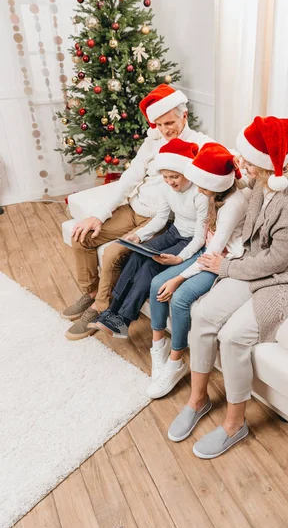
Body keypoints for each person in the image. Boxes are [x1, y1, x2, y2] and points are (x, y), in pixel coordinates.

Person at [168, 115, 288, 459]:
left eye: (246, 159)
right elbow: (237, 182)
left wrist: (225, 266)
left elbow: (278, 262)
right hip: (254, 265)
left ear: (265, 163)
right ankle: (198, 401)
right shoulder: (266, 179)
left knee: (233, 336)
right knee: (204, 315)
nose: (241, 163)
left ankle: (234, 425)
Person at [62, 84, 213, 340]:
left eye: (170, 122)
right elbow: (128, 179)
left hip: (157, 219)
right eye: (159, 124)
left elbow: (229, 158)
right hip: (133, 208)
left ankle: (101, 308)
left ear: (184, 115)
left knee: (113, 255)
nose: (165, 130)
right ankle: (90, 295)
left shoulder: (200, 144)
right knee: (82, 236)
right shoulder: (151, 142)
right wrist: (99, 214)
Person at [146, 142, 248, 399]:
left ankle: (176, 361)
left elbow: (214, 250)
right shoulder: (213, 194)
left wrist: (180, 276)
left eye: (202, 184)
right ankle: (158, 346)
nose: (198, 189)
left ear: (215, 184)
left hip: (223, 259)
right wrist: (181, 258)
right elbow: (202, 239)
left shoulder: (232, 205)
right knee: (157, 283)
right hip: (208, 252)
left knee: (180, 298)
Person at [89, 139, 209, 348]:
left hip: (190, 240)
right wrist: (140, 236)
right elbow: (162, 218)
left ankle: (123, 320)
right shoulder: (166, 188)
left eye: (174, 177)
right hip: (173, 232)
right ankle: (111, 311)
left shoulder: (200, 195)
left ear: (187, 173)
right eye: (165, 177)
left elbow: (200, 238)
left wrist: (180, 258)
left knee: (151, 265)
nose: (170, 182)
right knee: (136, 256)